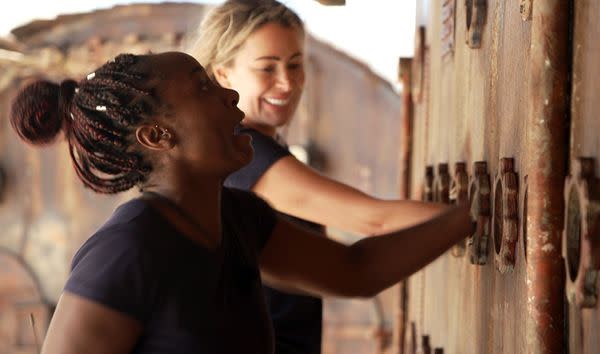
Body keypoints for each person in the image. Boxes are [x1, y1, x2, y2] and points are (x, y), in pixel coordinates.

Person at [10, 51, 473, 354]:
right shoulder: (127, 252)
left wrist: (467, 218)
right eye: (203, 88)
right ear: (157, 135)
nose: (230, 94)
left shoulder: (238, 217)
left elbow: (356, 271)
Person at [187, 1, 460, 353]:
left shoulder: (242, 146)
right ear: (224, 74)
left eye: (295, 64)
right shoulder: (248, 156)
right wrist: (474, 216)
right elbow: (373, 219)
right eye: (267, 68)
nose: (286, 82)